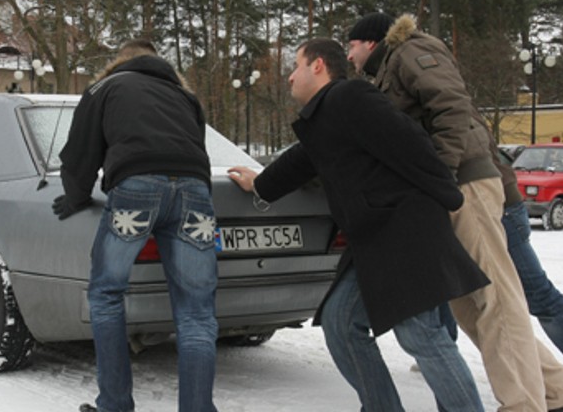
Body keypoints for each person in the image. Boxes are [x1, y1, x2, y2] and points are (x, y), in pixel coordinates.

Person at [228, 38, 490, 411]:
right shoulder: (326, 117)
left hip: (401, 231)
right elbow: (302, 160)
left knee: (420, 334)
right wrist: (261, 184)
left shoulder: (350, 97)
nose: (290, 77)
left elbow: (411, 142)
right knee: (340, 322)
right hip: (371, 241)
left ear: (318, 65)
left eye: (296, 66)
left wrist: (445, 192)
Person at [347, 12, 563, 411]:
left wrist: (441, 174)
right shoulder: (389, 69)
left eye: (352, 45)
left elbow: (451, 106)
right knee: (470, 307)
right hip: (447, 191)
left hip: (465, 184)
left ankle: (523, 403)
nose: (349, 55)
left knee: (496, 300)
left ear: (371, 42)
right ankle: (554, 389)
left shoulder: (410, 51)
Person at [53, 39, 219, 412]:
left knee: (106, 294)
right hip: (195, 193)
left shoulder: (105, 87)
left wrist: (76, 196)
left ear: (119, 61)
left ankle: (114, 405)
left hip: (136, 190)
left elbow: (79, 153)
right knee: (197, 312)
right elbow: (196, 148)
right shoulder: (185, 97)